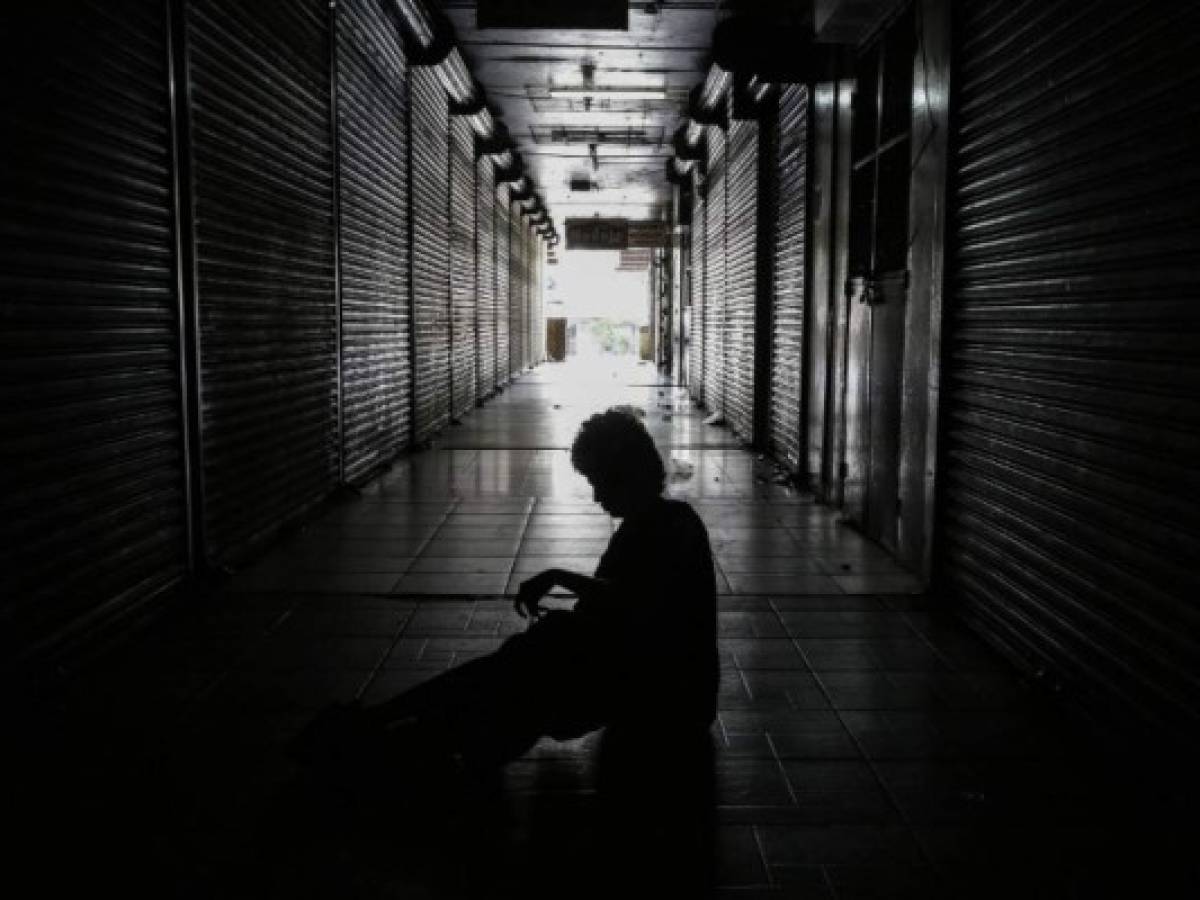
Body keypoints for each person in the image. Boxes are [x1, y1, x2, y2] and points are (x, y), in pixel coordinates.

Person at [292, 407, 718, 775]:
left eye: (601, 482)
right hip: (647, 685)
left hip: (669, 703)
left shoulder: (673, 528)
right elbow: (619, 610)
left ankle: (384, 736)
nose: (596, 497)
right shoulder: (651, 527)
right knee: (520, 668)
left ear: (626, 476)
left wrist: (560, 580)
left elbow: (637, 605)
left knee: (525, 669)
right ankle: (394, 735)